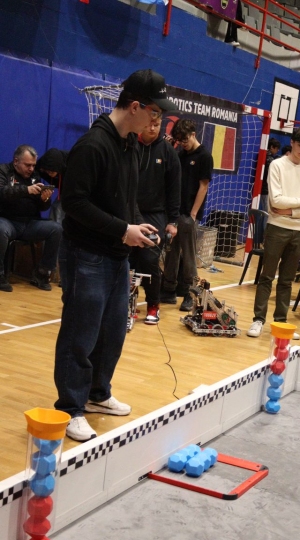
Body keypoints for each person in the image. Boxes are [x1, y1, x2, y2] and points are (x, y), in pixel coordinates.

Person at [54, 69, 178, 442]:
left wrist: (135, 225)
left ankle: (97, 393)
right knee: (80, 333)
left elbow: (123, 200)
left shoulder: (130, 146)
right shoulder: (93, 145)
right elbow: (74, 203)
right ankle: (69, 409)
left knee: (112, 332)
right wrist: (123, 229)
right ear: (135, 106)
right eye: (154, 111)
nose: (157, 120)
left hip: (115, 256)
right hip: (86, 255)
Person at [247, 127, 300, 339]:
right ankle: (258, 320)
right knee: (267, 276)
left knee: (287, 280)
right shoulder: (277, 165)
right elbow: (276, 200)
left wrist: (290, 211)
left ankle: (280, 322)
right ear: (292, 143)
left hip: (299, 231)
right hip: (277, 227)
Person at [130, 118, 181, 325]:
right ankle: (127, 303)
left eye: (157, 125)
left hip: (155, 214)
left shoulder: (168, 152)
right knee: (127, 259)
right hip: (130, 211)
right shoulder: (130, 145)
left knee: (149, 259)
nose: (152, 128)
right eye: (149, 124)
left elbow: (174, 188)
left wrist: (173, 221)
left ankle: (153, 304)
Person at [161, 119, 213, 311]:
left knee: (189, 255)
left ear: (193, 134)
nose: (183, 143)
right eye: (180, 140)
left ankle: (190, 294)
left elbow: (203, 186)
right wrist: (169, 147)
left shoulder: (204, 156)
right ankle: (168, 289)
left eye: (185, 139)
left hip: (189, 214)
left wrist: (193, 213)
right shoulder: (180, 154)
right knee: (171, 252)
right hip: (175, 212)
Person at [0, 145, 62, 292]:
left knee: (56, 229)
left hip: (30, 223)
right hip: (7, 220)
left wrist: (44, 200)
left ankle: (42, 272)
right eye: (28, 165)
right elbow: (2, 192)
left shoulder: (35, 177)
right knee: (0, 229)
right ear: (16, 161)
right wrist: (26, 190)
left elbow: (42, 208)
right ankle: (0, 274)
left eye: (33, 165)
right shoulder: (3, 171)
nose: (31, 169)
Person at [36, 148, 69, 224]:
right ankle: (56, 227)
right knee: (56, 207)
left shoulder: (72, 164)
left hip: (76, 187)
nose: (49, 173)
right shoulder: (40, 165)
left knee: (60, 206)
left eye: (51, 171)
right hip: (64, 184)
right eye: (47, 171)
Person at [260, 138, 281, 213]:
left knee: (266, 210)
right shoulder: (270, 160)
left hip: (263, 188)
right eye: (277, 148)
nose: (277, 151)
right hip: (265, 189)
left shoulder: (264, 156)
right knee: (267, 211)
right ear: (272, 147)